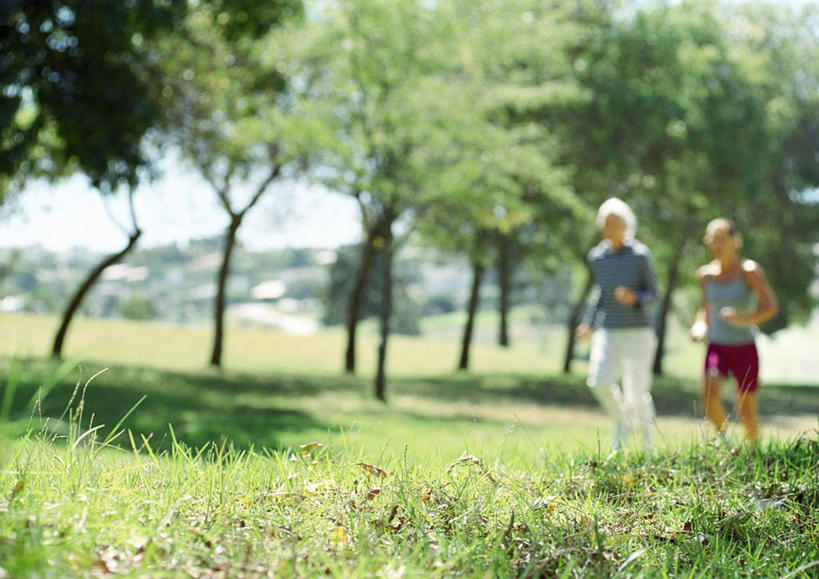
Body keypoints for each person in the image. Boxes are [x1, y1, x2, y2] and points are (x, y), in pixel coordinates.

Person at [575, 198, 658, 452]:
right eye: (606, 223)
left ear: (626, 225)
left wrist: (634, 297)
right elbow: (599, 294)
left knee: (637, 391)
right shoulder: (597, 257)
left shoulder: (640, 255)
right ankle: (622, 423)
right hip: (608, 329)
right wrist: (588, 323)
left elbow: (654, 294)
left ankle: (648, 446)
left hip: (638, 330)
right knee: (598, 381)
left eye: (615, 223)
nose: (610, 228)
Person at [689, 218, 778, 444]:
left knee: (745, 407)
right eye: (711, 239)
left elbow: (770, 307)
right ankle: (726, 443)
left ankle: (754, 452)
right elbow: (705, 308)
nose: (716, 244)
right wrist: (700, 324)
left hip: (744, 346)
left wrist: (742, 320)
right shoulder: (705, 275)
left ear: (735, 241)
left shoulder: (749, 271)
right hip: (717, 344)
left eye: (721, 238)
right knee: (709, 392)